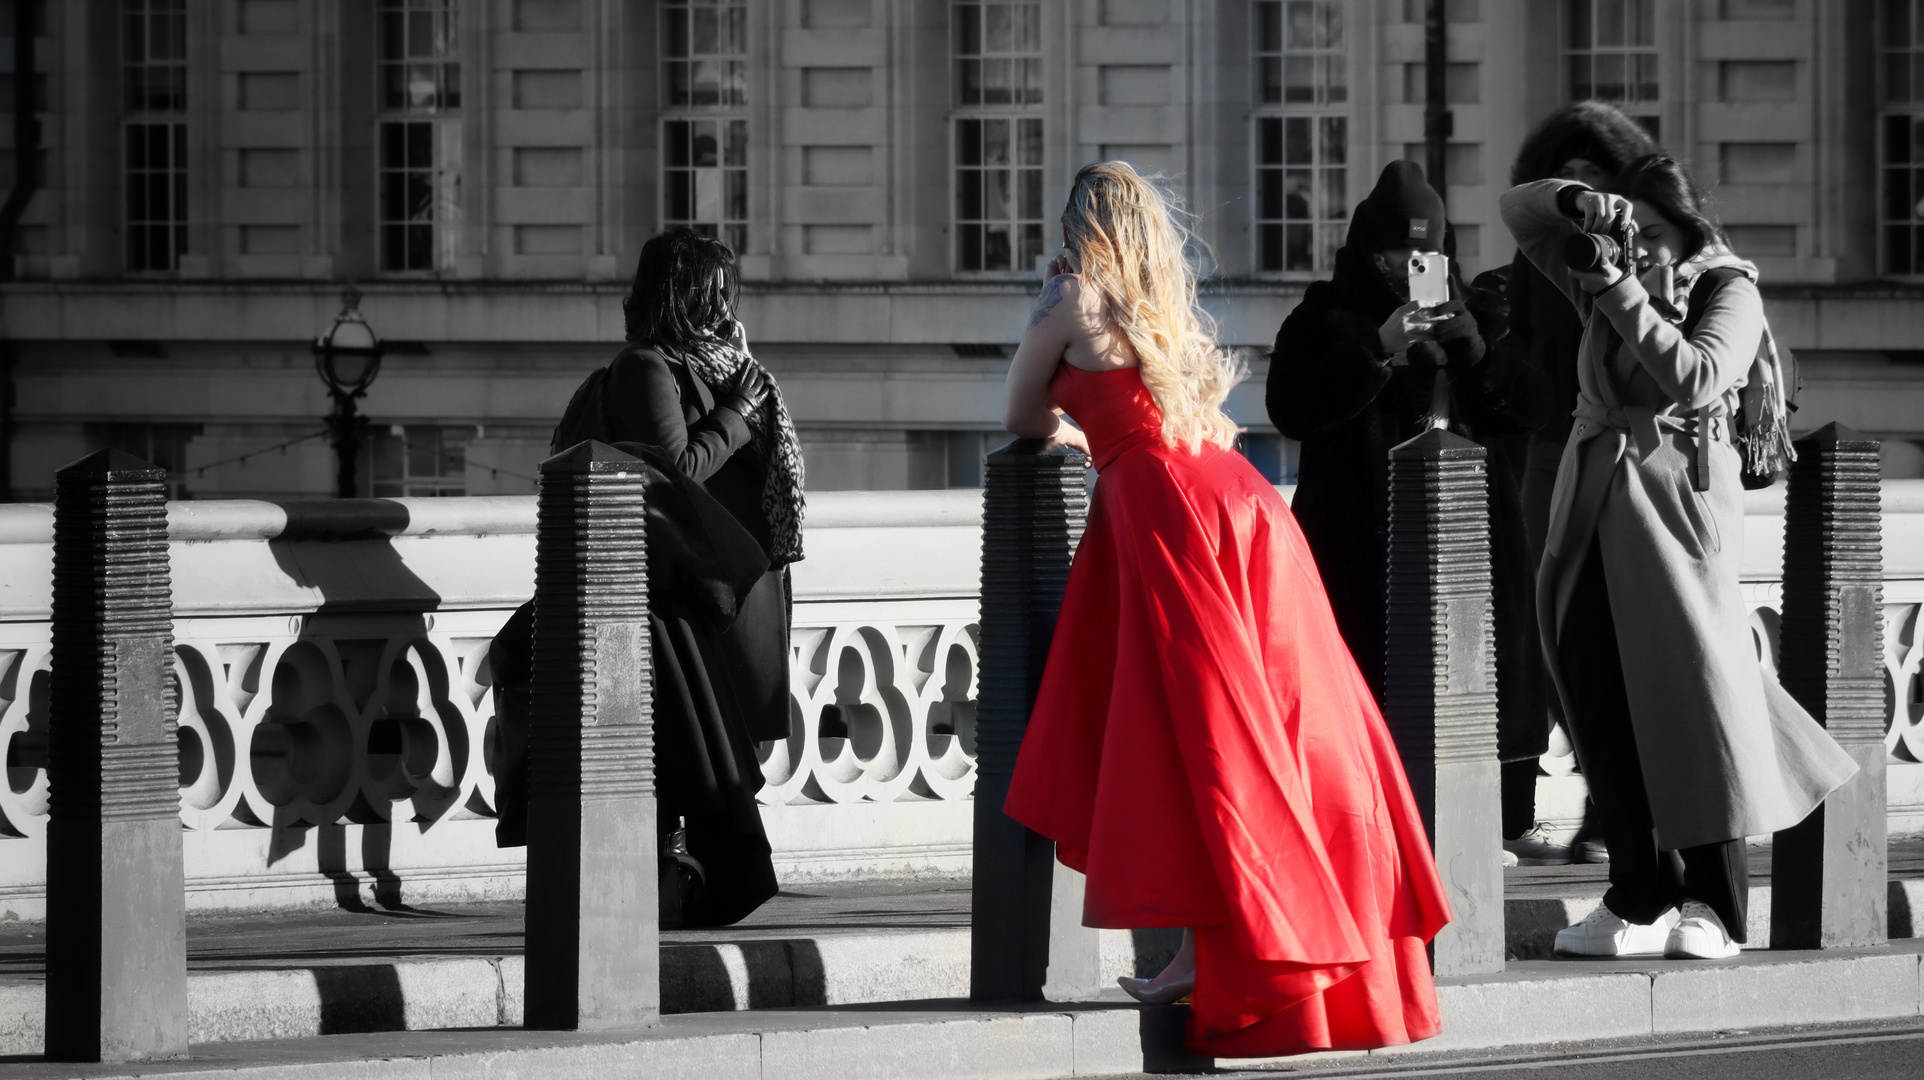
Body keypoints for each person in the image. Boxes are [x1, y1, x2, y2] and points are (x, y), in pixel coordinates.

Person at [1001, 161, 1450, 1058]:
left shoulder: (1073, 301)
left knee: (1204, 737)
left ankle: (1232, 939)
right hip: (1241, 510)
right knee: (1260, 729)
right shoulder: (1162, 308)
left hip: (1166, 515)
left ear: (1078, 224)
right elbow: (1205, 426)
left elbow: (1021, 415)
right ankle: (1212, 946)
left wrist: (1071, 408)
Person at [1501, 156, 1856, 960]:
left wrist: (1620, 292)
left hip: (1675, 523)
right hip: (1590, 511)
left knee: (1698, 709)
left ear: (1691, 228)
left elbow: (1694, 379)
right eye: (1635, 234)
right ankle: (1637, 897)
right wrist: (1579, 203)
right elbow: (1518, 214)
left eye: (1654, 233)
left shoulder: (1726, 289)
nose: (1641, 249)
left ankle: (1717, 909)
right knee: (1600, 708)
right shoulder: (1609, 270)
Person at [492, 227, 806, 929]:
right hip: (667, 600)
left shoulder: (710, 362)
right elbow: (673, 469)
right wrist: (738, 415)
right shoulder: (644, 367)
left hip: (709, 593)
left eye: (733, 292)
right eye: (715, 291)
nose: (728, 307)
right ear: (683, 293)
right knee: (678, 750)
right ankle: (662, 885)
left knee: (704, 746)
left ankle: (677, 884)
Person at [1265, 160, 1547, 862]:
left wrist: (1475, 349)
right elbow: (1291, 407)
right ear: (1368, 248)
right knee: (1360, 678)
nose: (1407, 268)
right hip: (1359, 532)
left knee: (1480, 669)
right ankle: (1363, 818)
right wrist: (1379, 348)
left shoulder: (1477, 317)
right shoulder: (1324, 316)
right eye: (1395, 253)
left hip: (1468, 532)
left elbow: (1534, 410)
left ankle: (1500, 818)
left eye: (1424, 255)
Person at [1504, 102, 1661, 866]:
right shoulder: (1543, 253)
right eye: (1566, 181)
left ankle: (1620, 808)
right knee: (1555, 631)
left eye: (1594, 178)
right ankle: (1599, 796)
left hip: (1629, 453)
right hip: (1551, 449)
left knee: (1626, 629)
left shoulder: (1650, 253)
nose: (1581, 192)